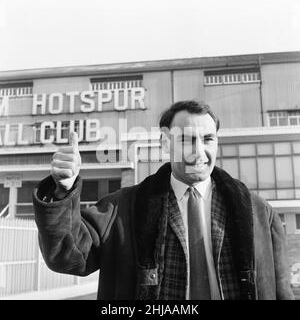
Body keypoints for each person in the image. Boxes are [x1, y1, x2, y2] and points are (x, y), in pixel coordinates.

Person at [32, 100, 294, 300]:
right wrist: (63, 193)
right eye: (187, 140)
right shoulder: (121, 209)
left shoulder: (258, 212)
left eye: (208, 139)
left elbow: (282, 291)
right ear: (165, 143)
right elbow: (68, 257)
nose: (199, 152)